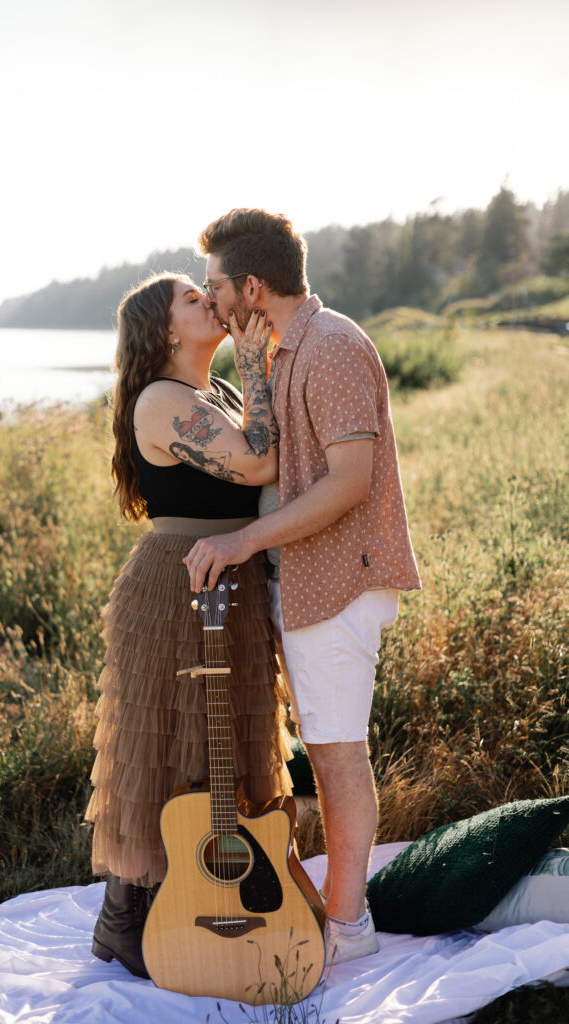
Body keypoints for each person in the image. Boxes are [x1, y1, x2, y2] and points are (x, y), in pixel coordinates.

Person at [184, 209, 421, 965]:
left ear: (252, 285)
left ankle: (348, 932)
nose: (211, 300)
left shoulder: (334, 347)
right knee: (320, 752)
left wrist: (243, 539)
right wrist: (250, 372)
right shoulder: (285, 351)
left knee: (337, 754)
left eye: (217, 286)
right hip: (309, 586)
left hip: (340, 585)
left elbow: (350, 482)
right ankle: (340, 912)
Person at [84, 272, 292, 978]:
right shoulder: (164, 400)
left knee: (223, 736)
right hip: (179, 582)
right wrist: (257, 362)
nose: (210, 301)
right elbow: (257, 459)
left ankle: (194, 895)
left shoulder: (211, 393)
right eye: (192, 300)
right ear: (168, 329)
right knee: (169, 744)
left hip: (227, 570)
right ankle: (125, 921)